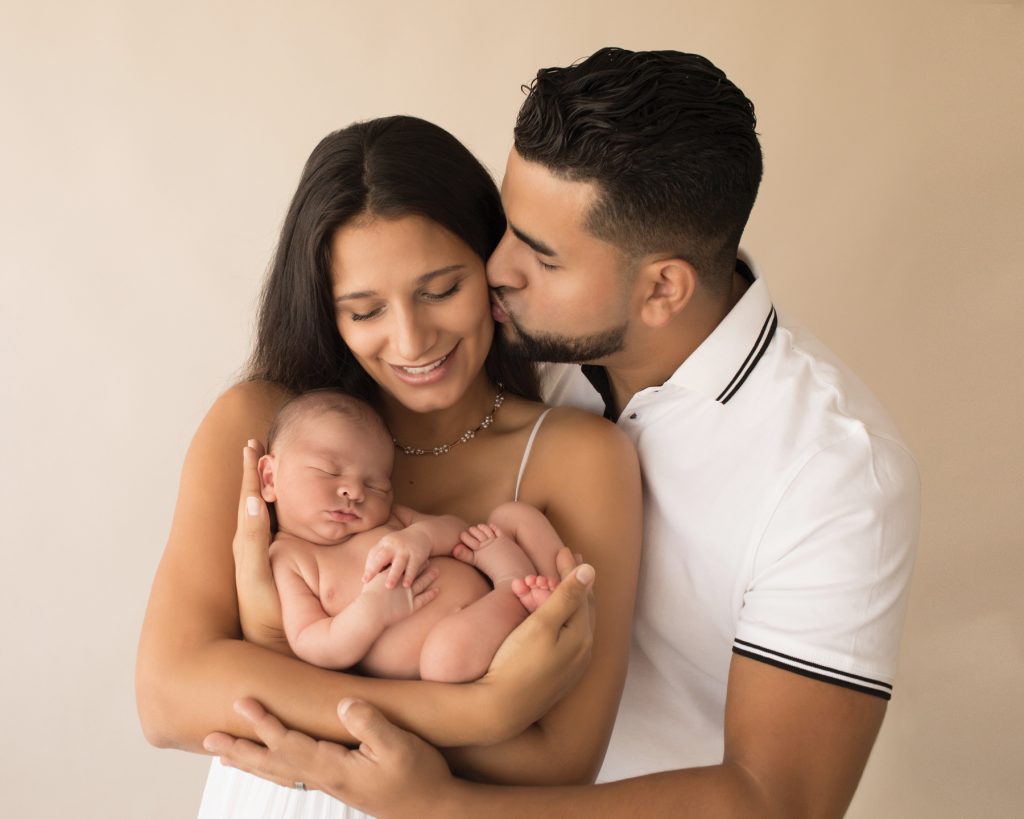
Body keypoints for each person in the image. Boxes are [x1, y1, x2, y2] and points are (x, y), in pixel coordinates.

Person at [203, 47, 921, 818]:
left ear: (661, 288)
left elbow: (781, 799)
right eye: (508, 228)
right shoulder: (503, 355)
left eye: (540, 256)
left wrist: (445, 806)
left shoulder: (833, 471)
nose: (496, 268)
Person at [135, 115, 643, 818]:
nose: (411, 339)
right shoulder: (260, 426)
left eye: (440, 290)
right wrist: (482, 711)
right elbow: (168, 697)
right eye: (364, 309)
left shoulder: (578, 456)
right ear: (327, 312)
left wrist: (273, 676)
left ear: (493, 269)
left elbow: (560, 758)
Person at [259, 388, 564, 681]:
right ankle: (517, 591)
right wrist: (373, 610)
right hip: (459, 647)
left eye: (375, 485)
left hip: (485, 579)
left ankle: (556, 596)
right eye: (328, 471)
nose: (354, 491)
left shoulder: (389, 521)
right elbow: (310, 640)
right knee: (444, 662)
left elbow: (461, 533)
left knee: (513, 516)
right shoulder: (289, 558)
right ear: (270, 478)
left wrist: (421, 537)